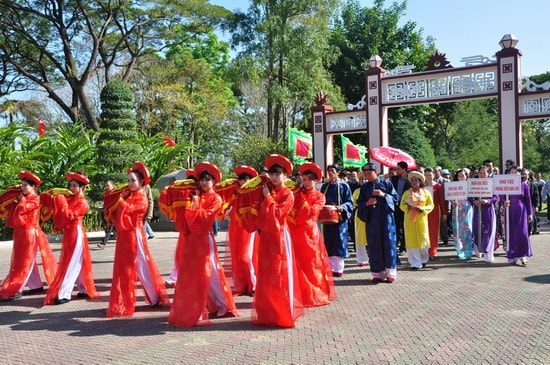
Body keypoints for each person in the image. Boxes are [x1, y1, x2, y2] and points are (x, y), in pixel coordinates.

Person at [168, 162, 238, 328]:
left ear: (214, 181)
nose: (204, 183)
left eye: (208, 180)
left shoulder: (216, 198)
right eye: (202, 179)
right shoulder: (195, 195)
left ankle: (222, 304)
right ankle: (199, 307)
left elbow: (203, 219)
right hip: (191, 240)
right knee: (192, 275)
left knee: (210, 274)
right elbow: (184, 217)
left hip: (204, 240)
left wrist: (195, 203)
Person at [106, 162, 169, 317]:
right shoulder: (131, 195)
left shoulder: (141, 197)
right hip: (126, 236)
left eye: (133, 180)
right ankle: (153, 296)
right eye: (128, 180)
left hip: (134, 235)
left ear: (141, 182)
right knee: (138, 267)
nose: (130, 183)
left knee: (137, 267)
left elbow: (127, 210)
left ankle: (148, 297)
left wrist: (120, 200)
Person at [249, 154, 304, 327]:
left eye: (278, 174)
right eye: (272, 174)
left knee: (280, 272)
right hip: (265, 236)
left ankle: (282, 312)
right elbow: (259, 215)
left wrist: (268, 198)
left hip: (280, 236)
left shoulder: (288, 194)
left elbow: (279, 214)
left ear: (285, 176)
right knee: (265, 273)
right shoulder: (266, 191)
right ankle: (267, 312)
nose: (274, 177)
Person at [0, 172, 57, 302]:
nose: (23, 188)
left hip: (30, 233)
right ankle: (36, 285)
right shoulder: (22, 198)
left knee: (25, 261)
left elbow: (22, 211)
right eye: (22, 185)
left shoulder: (36, 199)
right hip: (21, 233)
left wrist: (21, 200)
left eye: (26, 185)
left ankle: (17, 288)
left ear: (33, 187)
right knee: (23, 260)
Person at [44, 172, 100, 305]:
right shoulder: (72, 199)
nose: (71, 188)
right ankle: (85, 288)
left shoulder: (83, 203)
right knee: (78, 262)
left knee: (71, 263)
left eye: (75, 185)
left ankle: (64, 293)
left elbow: (69, 215)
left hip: (76, 232)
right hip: (70, 233)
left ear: (82, 188)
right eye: (71, 185)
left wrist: (61, 201)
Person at [288, 162, 335, 307]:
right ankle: (299, 293)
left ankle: (314, 293)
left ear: (316, 181)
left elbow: (310, 212)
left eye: (309, 180)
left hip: (310, 234)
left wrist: (301, 205)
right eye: (304, 179)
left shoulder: (320, 196)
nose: (306, 182)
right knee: (297, 263)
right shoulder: (296, 193)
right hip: (295, 232)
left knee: (312, 263)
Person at [357, 163, 399, 283]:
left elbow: (396, 198)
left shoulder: (386, 183)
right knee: (374, 245)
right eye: (365, 174)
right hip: (372, 221)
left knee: (388, 244)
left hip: (386, 219)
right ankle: (377, 273)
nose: (367, 176)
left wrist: (384, 195)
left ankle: (390, 272)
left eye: (369, 173)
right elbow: (359, 203)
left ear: (376, 172)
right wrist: (367, 203)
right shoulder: (364, 187)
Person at [227, 165, 258, 296]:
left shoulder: (254, 193)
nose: (243, 182)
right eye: (241, 179)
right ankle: (242, 285)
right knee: (237, 257)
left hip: (248, 229)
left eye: (246, 179)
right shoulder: (235, 193)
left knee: (247, 257)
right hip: (235, 228)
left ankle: (254, 285)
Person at [320, 164, 353, 276]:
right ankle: (330, 267)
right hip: (327, 219)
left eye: (333, 171)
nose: (330, 173)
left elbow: (349, 202)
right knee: (328, 241)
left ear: (338, 172)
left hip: (340, 219)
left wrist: (342, 207)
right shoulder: (325, 187)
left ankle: (338, 268)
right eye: (329, 171)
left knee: (338, 242)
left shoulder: (344, 186)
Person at [399, 171, 434, 270]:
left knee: (423, 239)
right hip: (409, 220)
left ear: (420, 181)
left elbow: (431, 205)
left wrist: (423, 209)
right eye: (412, 180)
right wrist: (408, 207)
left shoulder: (426, 192)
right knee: (411, 240)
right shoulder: (406, 193)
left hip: (421, 219)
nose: (414, 182)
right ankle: (414, 262)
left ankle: (423, 260)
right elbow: (401, 205)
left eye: (416, 180)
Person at [500, 166, 533, 266]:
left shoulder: (524, 185)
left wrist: (530, 213)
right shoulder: (504, 185)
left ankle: (523, 256)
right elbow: (501, 196)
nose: (514, 174)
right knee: (511, 233)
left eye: (516, 172)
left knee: (522, 233)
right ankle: (512, 256)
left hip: (521, 211)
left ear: (520, 174)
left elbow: (528, 200)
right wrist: (503, 202)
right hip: (509, 211)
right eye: (512, 172)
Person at [469, 166, 499, 263]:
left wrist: (488, 200)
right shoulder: (473, 184)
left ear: (487, 174)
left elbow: (496, 197)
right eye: (480, 173)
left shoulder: (491, 184)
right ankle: (479, 249)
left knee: (488, 231)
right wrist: (474, 202)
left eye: (484, 173)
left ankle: (488, 253)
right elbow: (469, 196)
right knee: (478, 230)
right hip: (477, 210)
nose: (482, 175)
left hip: (488, 210)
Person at [424, 168, 448, 259]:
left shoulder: (438, 186)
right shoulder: (422, 186)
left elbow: (441, 200)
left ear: (433, 175)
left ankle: (432, 251)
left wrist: (444, 213)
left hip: (435, 211)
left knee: (434, 232)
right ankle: (425, 251)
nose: (428, 177)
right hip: (424, 212)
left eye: (430, 175)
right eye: (426, 175)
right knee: (425, 231)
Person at [451, 168, 474, 260]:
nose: (461, 177)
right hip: (456, 209)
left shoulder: (470, 186)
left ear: (466, 176)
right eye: (459, 176)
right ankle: (459, 251)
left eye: (463, 175)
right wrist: (453, 202)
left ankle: (468, 251)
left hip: (466, 208)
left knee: (467, 230)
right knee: (457, 230)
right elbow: (450, 197)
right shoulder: (453, 186)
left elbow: (472, 198)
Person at [390, 161, 411, 255]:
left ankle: (404, 246)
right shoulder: (394, 179)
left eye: (398, 168)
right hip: (395, 205)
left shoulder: (410, 179)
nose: (396, 170)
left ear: (404, 169)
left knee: (405, 226)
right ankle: (397, 244)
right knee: (397, 226)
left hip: (406, 206)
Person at [98, 179, 115, 249]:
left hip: (113, 214)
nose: (107, 187)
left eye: (108, 185)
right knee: (112, 228)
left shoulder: (114, 193)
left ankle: (103, 243)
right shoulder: (106, 193)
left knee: (109, 229)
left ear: (112, 185)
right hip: (107, 213)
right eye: (106, 186)